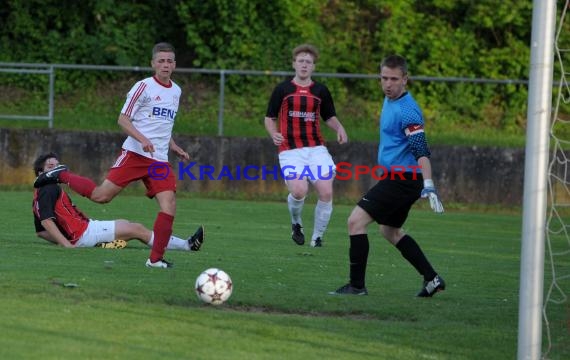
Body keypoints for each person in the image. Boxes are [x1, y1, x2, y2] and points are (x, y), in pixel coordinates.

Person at [34, 42, 193, 268]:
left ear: (174, 64)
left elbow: (162, 125)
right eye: (161, 61)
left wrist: (174, 145)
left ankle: (155, 260)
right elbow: (123, 120)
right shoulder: (143, 87)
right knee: (102, 196)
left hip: (158, 161)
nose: (165, 65)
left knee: (169, 204)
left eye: (169, 61)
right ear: (153, 64)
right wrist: (143, 140)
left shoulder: (176, 91)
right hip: (135, 154)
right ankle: (62, 175)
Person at [330, 55, 445, 297]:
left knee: (355, 222)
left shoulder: (408, 110)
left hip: (403, 179)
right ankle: (432, 278)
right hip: (398, 178)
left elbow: (420, 147)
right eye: (384, 78)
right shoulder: (390, 99)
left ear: (405, 79)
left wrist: (429, 183)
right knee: (389, 231)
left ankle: (357, 287)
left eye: (394, 79)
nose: (388, 84)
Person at [264, 44, 348, 248]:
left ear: (313, 67)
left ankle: (317, 237)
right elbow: (269, 117)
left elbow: (328, 116)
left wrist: (339, 128)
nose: (304, 64)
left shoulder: (321, 90)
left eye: (308, 62)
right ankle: (296, 224)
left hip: (316, 148)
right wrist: (273, 133)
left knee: (326, 192)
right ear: (294, 64)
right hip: (290, 150)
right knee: (299, 191)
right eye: (300, 61)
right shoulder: (282, 89)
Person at [32, 152, 204, 251]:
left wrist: (66, 240)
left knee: (126, 224)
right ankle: (187, 245)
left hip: (86, 230)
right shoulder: (49, 189)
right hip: (85, 233)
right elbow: (47, 221)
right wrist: (66, 244)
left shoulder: (40, 194)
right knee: (137, 229)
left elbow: (40, 232)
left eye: (57, 164)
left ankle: (105, 243)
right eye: (50, 167)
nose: (57, 168)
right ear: (40, 173)